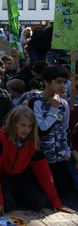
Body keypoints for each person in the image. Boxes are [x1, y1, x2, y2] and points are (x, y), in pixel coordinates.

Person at [0, 106, 74, 220]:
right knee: (6, 205)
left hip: (20, 175)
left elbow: (43, 171)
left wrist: (55, 200)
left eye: (30, 126)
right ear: (13, 123)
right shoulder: (0, 138)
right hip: (2, 175)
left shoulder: (33, 141)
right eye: (22, 125)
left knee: (39, 204)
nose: (26, 129)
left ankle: (11, 195)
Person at [30, 65, 71, 197]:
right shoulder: (36, 102)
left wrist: (67, 151)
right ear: (47, 82)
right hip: (42, 157)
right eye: (58, 81)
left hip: (60, 157)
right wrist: (53, 109)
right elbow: (42, 130)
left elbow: (65, 129)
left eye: (64, 82)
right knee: (42, 194)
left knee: (62, 193)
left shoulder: (64, 104)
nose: (62, 85)